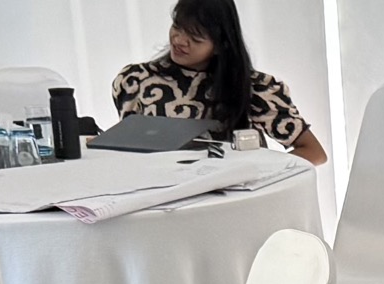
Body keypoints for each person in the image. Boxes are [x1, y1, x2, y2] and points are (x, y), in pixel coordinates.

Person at [110, 0, 330, 166]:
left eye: (195, 38)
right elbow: (132, 152)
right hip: (160, 199)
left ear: (220, 45)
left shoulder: (254, 88)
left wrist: (261, 174)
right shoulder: (136, 80)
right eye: (177, 27)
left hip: (232, 199)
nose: (179, 40)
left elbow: (313, 152)